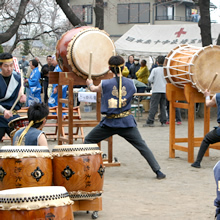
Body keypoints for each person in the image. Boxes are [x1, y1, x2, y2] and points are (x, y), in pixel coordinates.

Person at [85, 55, 166, 179]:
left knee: (89, 140)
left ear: (109, 69)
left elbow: (94, 89)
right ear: (123, 68)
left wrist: (90, 84)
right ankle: (158, 171)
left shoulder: (105, 83)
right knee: (142, 146)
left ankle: (91, 166)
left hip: (109, 122)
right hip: (126, 122)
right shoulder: (131, 84)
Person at [0, 52, 26, 141]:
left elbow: (20, 94)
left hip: (13, 116)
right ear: (0, 66)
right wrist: (4, 111)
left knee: (21, 142)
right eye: (6, 66)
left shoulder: (17, 78)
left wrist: (22, 96)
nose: (9, 68)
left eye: (11, 65)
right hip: (0, 116)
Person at [191, 89, 220, 168]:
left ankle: (197, 162)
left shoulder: (217, 96)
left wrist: (207, 96)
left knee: (207, 139)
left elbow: (208, 104)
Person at [143, 56, 167, 127]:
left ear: (157, 62)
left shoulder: (155, 70)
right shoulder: (166, 70)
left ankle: (150, 121)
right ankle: (163, 121)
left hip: (156, 90)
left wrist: (153, 82)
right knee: (163, 106)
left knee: (153, 106)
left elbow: (150, 79)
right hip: (164, 90)